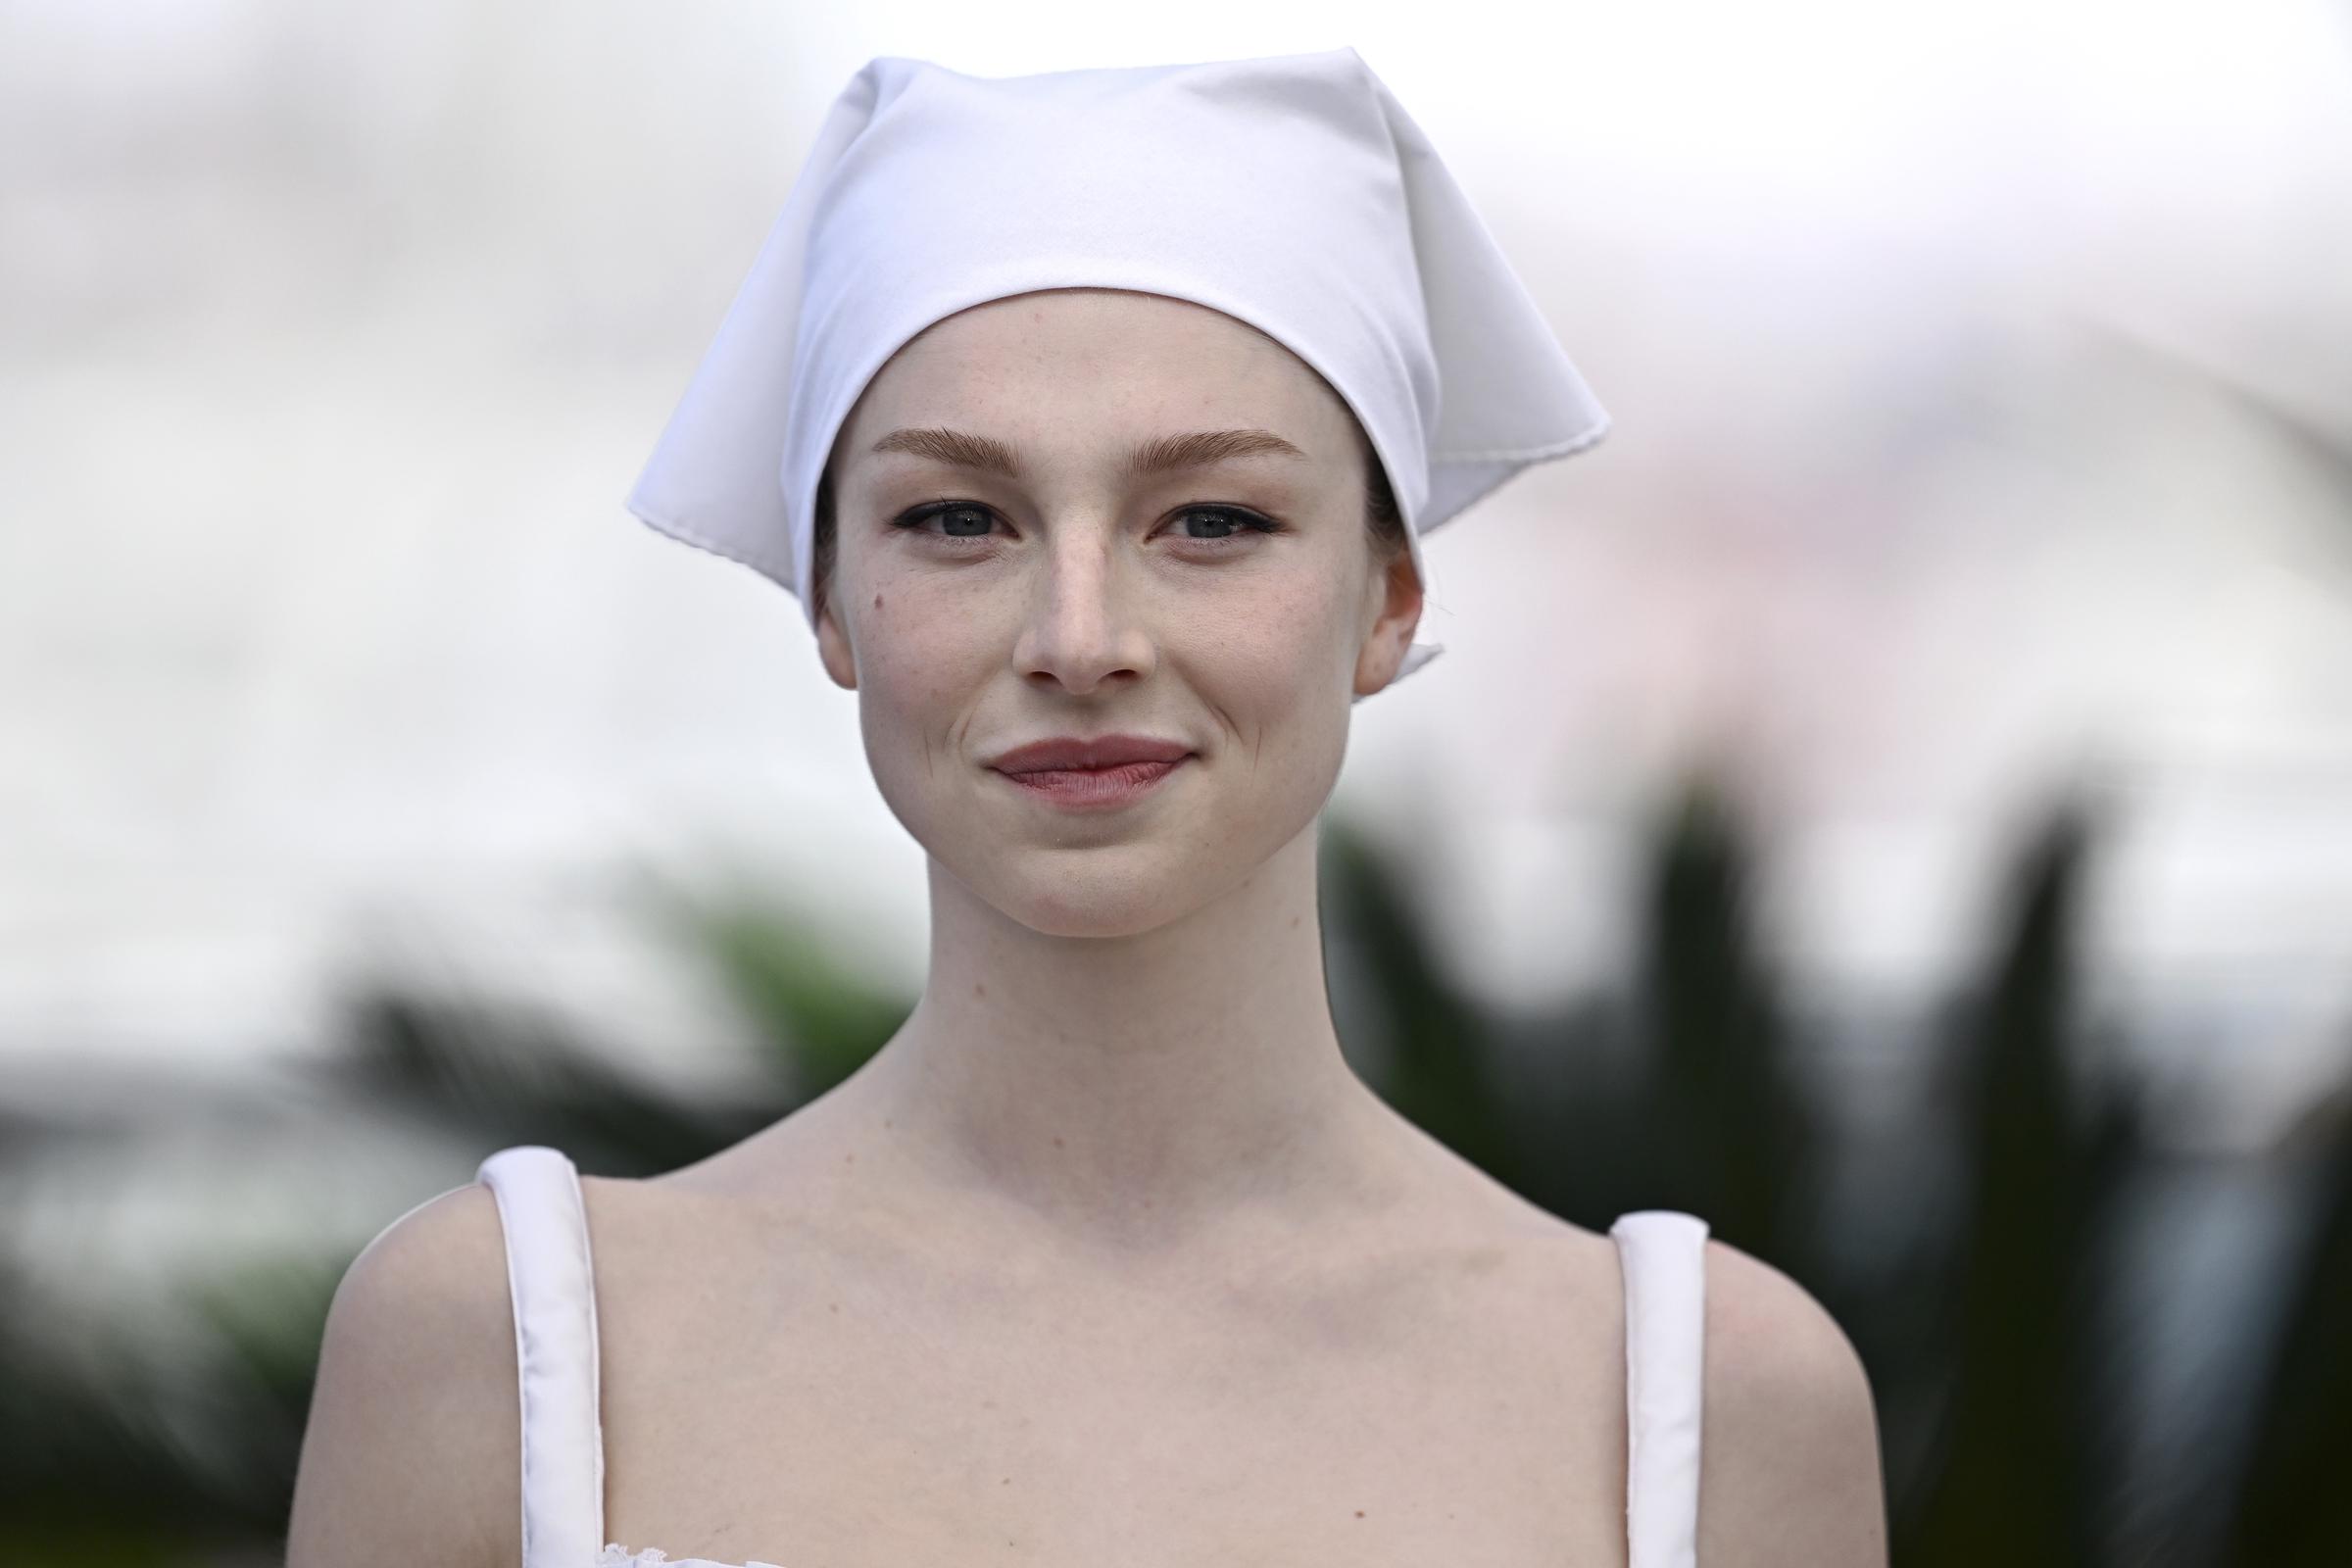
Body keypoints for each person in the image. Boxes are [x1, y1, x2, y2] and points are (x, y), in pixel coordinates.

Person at [285, 48, 1887, 1568]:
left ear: (1389, 598)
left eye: (1209, 518)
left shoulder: (1705, 1408)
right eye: (960, 517)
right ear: (832, 601)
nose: (1078, 638)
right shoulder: (500, 1351)